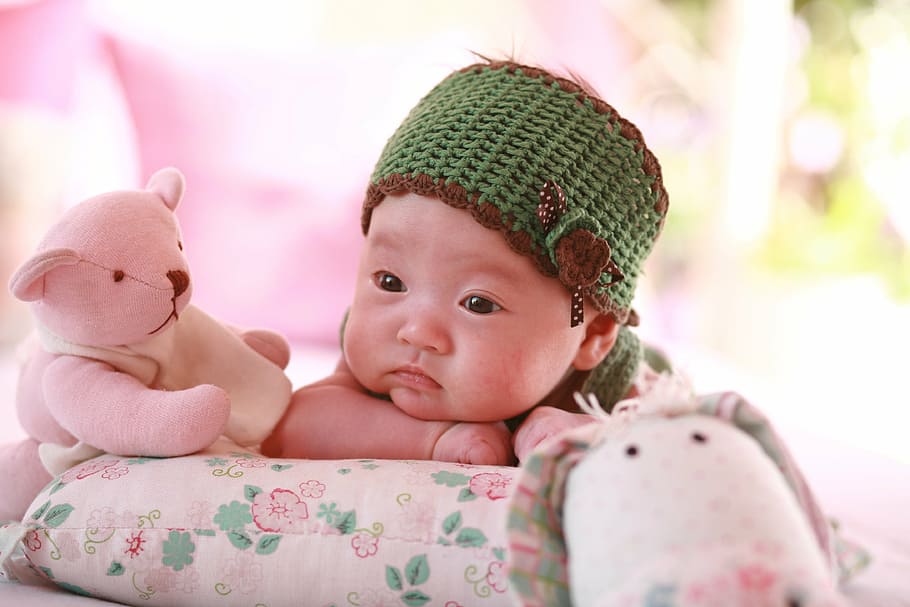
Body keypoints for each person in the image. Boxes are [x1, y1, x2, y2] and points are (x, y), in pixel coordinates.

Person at [261, 59, 669, 465]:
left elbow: (679, 454)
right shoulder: (373, 345)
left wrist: (579, 434)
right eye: (390, 281)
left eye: (478, 303)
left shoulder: (620, 385)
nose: (417, 332)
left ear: (591, 335)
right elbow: (292, 430)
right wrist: (434, 442)